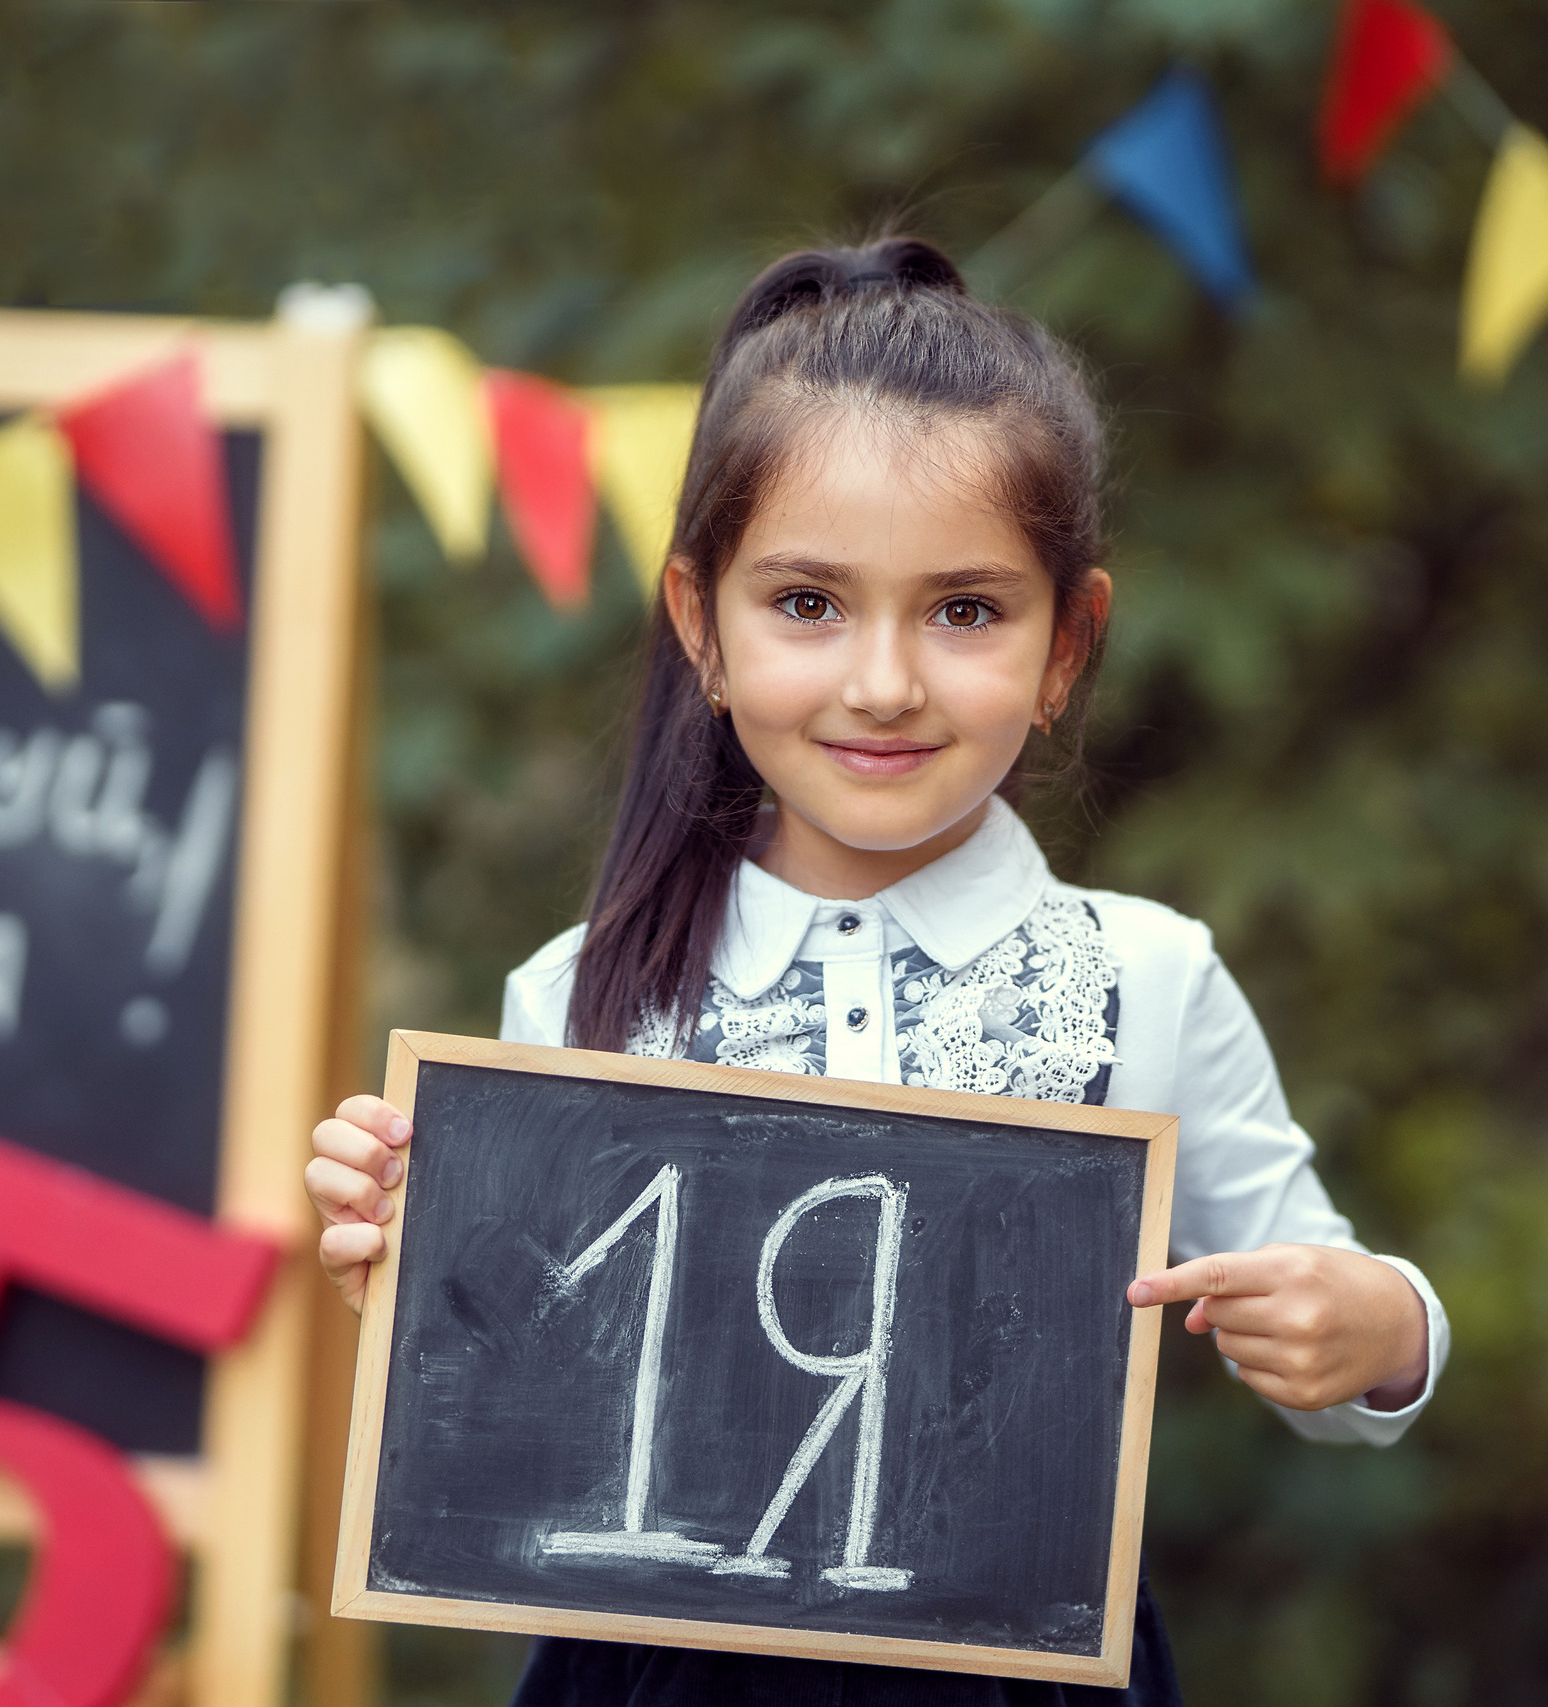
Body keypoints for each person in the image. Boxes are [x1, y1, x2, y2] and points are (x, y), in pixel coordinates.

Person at [307, 236, 1447, 1706]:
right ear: (701, 624)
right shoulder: (578, 993)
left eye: (965, 610)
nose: (885, 682)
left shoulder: (1147, 977)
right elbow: (534, 1421)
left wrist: (1382, 1328)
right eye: (808, 604)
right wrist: (415, 1275)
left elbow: (1337, 1345)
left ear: (1067, 645)